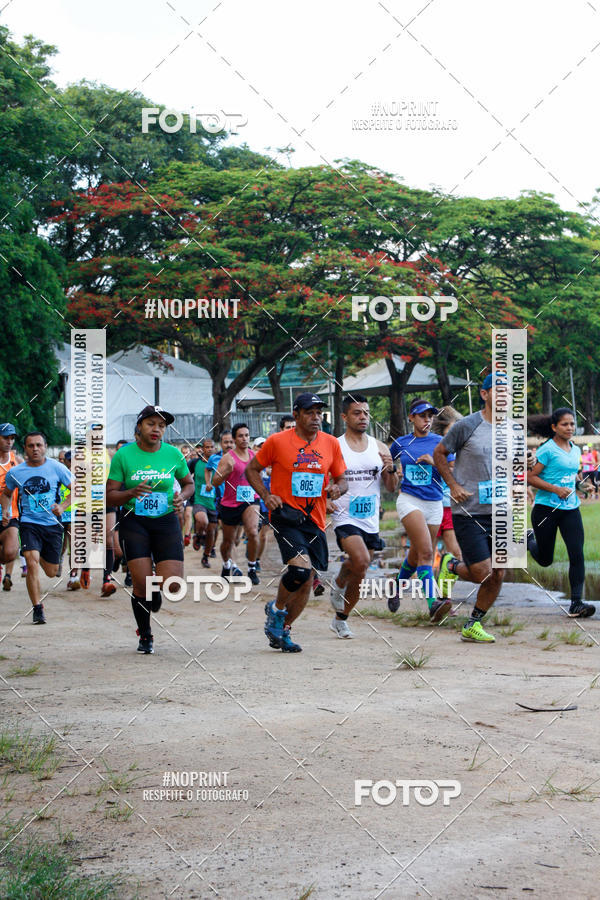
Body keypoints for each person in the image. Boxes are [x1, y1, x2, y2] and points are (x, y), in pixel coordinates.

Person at [246, 393, 347, 652]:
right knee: (300, 571)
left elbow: (342, 480)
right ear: (296, 415)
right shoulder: (277, 442)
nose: (316, 418)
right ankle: (276, 609)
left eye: (318, 413)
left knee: (308, 579)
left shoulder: (331, 443)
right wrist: (266, 496)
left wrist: (337, 488)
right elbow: (252, 470)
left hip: (314, 519)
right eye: (309, 412)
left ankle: (283, 628)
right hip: (285, 515)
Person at [106, 406, 193, 654]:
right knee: (142, 586)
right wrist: (131, 493)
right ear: (139, 427)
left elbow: (188, 484)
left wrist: (182, 498)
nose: (157, 430)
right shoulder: (124, 456)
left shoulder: (173, 454)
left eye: (162, 426)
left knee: (173, 585)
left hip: (165, 521)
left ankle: (155, 587)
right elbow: (110, 496)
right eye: (151, 424)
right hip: (135, 521)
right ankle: (145, 635)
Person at [434, 374, 507, 643]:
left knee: (499, 571)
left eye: (509, 392)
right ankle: (450, 565)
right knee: (482, 572)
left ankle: (473, 623)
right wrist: (452, 485)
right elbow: (439, 454)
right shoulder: (467, 425)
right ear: (485, 394)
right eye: (498, 391)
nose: (505, 396)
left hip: (500, 511)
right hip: (469, 510)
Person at [329, 394, 398, 638]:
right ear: (345, 416)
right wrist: (326, 500)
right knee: (360, 560)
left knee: (360, 569)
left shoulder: (380, 447)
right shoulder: (334, 446)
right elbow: (325, 478)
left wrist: (390, 468)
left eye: (366, 413)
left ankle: (341, 618)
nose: (363, 417)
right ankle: (338, 585)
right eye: (357, 413)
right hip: (344, 515)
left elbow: (391, 487)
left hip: (370, 518)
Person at [526, 410, 595, 617]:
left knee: (577, 554)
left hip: (570, 509)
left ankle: (576, 603)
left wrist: (583, 486)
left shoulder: (575, 449)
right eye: (565, 424)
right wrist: (555, 489)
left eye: (572, 424)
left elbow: (569, 475)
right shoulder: (546, 450)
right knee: (546, 560)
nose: (570, 428)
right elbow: (530, 477)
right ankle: (528, 539)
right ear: (554, 427)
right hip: (546, 510)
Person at [390, 398, 453, 623]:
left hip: (435, 503)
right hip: (409, 500)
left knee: (417, 553)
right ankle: (433, 603)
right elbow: (388, 465)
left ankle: (396, 585)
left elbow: (453, 471)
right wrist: (391, 472)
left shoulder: (441, 442)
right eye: (422, 415)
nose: (427, 419)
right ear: (411, 418)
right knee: (427, 553)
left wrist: (434, 463)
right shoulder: (401, 443)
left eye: (430, 416)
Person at [2, 432, 71, 624]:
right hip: (29, 524)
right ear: (25, 448)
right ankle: (37, 608)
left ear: (45, 446)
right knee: (31, 563)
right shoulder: (16, 472)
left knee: (51, 571)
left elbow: (78, 489)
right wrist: (6, 509)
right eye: (31, 446)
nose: (35, 449)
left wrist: (63, 506)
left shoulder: (57, 468)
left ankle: (45, 556)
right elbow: (6, 493)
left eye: (38, 445)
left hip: (52, 525)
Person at [211, 423, 260, 585]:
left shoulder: (254, 456)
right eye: (240, 436)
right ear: (234, 439)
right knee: (228, 542)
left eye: (247, 435)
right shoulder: (228, 458)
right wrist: (227, 471)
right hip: (230, 503)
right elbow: (215, 481)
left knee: (253, 532)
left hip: (250, 500)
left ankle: (252, 568)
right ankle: (226, 565)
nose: (244, 439)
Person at [430, 407, 463, 595]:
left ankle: (443, 594)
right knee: (427, 554)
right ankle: (434, 598)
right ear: (442, 431)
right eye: (451, 431)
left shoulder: (461, 450)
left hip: (451, 506)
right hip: (433, 504)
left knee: (455, 554)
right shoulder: (434, 448)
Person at [0, 423, 22, 591]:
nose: (9, 441)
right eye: (5, 437)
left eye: (12, 438)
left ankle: (7, 573)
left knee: (10, 553)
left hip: (11, 514)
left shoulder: (17, 462)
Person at [189, 438, 218, 567]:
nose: (209, 449)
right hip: (198, 499)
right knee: (202, 521)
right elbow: (184, 477)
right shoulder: (195, 463)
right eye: (207, 447)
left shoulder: (219, 462)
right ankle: (199, 535)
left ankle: (205, 557)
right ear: (202, 449)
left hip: (214, 502)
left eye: (212, 447)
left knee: (211, 532)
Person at [253, 436, 271, 572]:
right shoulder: (250, 463)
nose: (262, 449)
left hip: (266, 504)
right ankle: (252, 552)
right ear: (254, 448)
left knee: (263, 535)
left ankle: (257, 559)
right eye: (260, 446)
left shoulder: (272, 462)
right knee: (252, 532)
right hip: (252, 502)